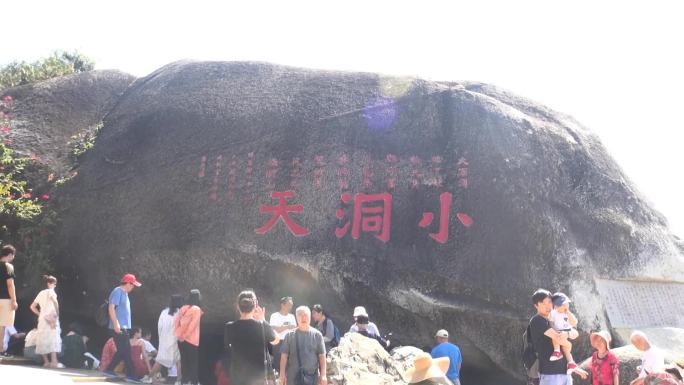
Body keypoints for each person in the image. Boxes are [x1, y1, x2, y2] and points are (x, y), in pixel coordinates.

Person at [224, 290, 280, 385]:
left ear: (238, 306)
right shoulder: (262, 325)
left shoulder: (230, 327)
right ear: (255, 306)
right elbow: (276, 340)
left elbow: (227, 347)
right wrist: (263, 319)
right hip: (259, 379)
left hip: (238, 378)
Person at [103, 273, 143, 383]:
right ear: (128, 283)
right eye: (132, 284)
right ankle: (131, 375)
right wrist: (116, 324)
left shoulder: (125, 293)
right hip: (118, 326)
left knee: (123, 350)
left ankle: (109, 370)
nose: (133, 287)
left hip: (123, 326)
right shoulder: (117, 291)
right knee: (126, 351)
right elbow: (111, 308)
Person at [528, 289, 571, 385]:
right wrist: (568, 340)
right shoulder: (537, 320)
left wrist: (568, 334)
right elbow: (558, 337)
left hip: (564, 371)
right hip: (550, 373)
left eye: (550, 302)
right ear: (536, 306)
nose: (548, 306)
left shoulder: (554, 319)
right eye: (543, 303)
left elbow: (574, 333)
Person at [280, 306, 327, 385]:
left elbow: (322, 356)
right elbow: (284, 356)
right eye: (300, 315)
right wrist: (282, 374)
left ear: (310, 317)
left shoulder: (317, 335)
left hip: (312, 377)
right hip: (293, 378)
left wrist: (323, 375)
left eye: (305, 315)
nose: (303, 317)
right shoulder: (289, 336)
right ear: (296, 317)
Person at [149, 294, 183, 385]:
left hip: (163, 338)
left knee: (162, 359)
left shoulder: (164, 311)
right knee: (176, 360)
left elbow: (159, 325)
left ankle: (150, 377)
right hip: (173, 338)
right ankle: (178, 380)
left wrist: (161, 337)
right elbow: (181, 326)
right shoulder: (180, 312)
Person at [29, 275, 62, 368]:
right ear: (49, 284)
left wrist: (40, 314)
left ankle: (46, 362)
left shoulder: (41, 293)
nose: (55, 285)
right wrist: (57, 312)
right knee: (53, 338)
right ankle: (54, 362)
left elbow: (32, 306)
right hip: (52, 317)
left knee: (42, 339)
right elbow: (55, 301)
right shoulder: (51, 291)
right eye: (54, 284)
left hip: (43, 319)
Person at [174, 289, 203, 385]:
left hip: (181, 340)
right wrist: (185, 335)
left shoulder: (182, 308)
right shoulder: (197, 309)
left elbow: (176, 322)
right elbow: (193, 325)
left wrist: (179, 335)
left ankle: (184, 381)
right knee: (193, 362)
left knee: (184, 361)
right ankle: (194, 382)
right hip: (192, 340)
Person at [548, 292, 578, 371]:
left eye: (566, 304)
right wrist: (554, 329)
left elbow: (574, 322)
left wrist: (568, 313)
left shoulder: (568, 313)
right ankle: (567, 360)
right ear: (556, 306)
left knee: (564, 346)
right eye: (562, 304)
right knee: (558, 341)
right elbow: (551, 322)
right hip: (558, 332)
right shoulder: (553, 313)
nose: (565, 306)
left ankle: (566, 359)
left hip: (568, 330)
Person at [270, 296, 297, 372]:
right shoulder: (274, 316)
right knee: (278, 364)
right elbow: (274, 330)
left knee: (290, 364)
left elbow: (294, 329)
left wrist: (285, 328)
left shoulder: (292, 316)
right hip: (278, 342)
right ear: (282, 305)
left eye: (291, 305)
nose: (290, 307)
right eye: (289, 305)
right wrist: (288, 326)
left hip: (290, 342)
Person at [0, 244, 18, 358]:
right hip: (5, 300)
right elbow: (10, 285)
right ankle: (1, 350)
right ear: (10, 254)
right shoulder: (8, 266)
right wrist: (14, 300)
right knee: (2, 325)